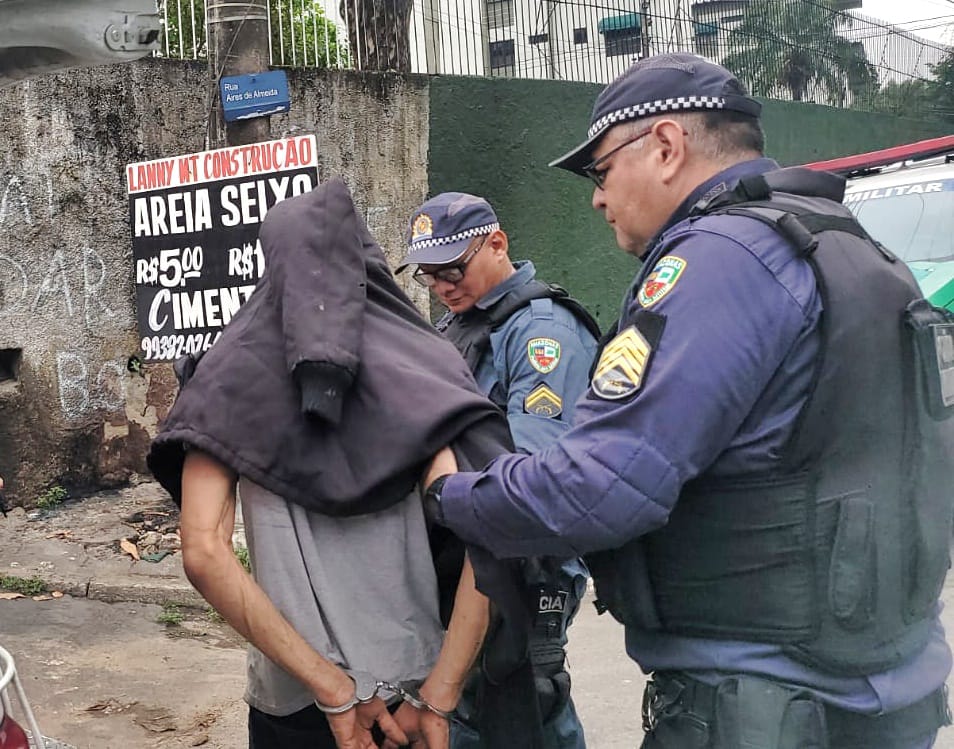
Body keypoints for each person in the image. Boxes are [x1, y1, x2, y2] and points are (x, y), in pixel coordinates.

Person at [422, 53, 954, 748]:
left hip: (758, 704)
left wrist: (452, 492)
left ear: (667, 147)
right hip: (883, 687)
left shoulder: (715, 262)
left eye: (601, 171)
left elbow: (598, 487)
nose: (597, 197)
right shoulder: (852, 246)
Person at [150, 179, 520, 749]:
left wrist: (332, 687)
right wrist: (441, 693)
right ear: (362, 261)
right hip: (406, 693)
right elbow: (490, 530)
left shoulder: (223, 378)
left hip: (291, 693)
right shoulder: (422, 365)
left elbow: (203, 553)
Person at [397, 192, 601, 749]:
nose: (442, 285)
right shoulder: (459, 326)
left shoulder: (540, 334)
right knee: (474, 711)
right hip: (469, 557)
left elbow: (534, 481)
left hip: (524, 566)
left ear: (497, 243)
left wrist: (443, 485)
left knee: (525, 701)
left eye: (453, 270)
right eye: (429, 276)